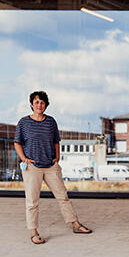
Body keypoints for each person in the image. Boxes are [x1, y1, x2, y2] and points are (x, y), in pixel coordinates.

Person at [14, 91, 92, 244]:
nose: (39, 105)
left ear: (46, 105)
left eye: (42, 102)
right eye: (36, 102)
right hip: (32, 167)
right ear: (31, 104)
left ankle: (75, 224)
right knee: (32, 201)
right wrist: (24, 159)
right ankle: (33, 232)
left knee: (63, 197)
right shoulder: (23, 123)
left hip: (50, 166)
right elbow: (17, 142)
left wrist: (57, 157)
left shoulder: (50, 122)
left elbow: (56, 141)